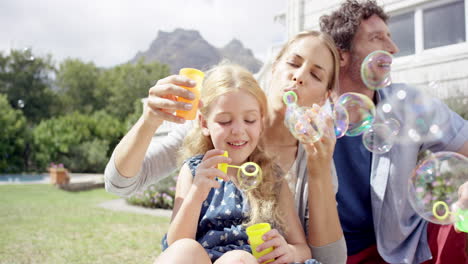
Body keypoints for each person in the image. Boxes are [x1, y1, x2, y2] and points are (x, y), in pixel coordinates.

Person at [104, 31, 346, 263]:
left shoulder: (295, 166)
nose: (299, 76)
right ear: (274, 67)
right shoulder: (205, 137)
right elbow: (119, 183)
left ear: (324, 96)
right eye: (293, 63)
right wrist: (149, 120)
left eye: (316, 75)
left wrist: (319, 169)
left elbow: (327, 260)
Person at [319, 0, 468, 263]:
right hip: (337, 251)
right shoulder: (312, 116)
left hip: (408, 244)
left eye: (390, 37)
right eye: (377, 39)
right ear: (340, 55)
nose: (393, 48)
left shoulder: (408, 103)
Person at [155, 64, 325, 264]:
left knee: (237, 260)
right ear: (204, 123)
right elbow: (176, 244)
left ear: (261, 123)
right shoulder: (194, 171)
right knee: (184, 249)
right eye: (225, 121)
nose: (238, 130)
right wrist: (196, 193)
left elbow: (302, 248)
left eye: (250, 120)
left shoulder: (272, 177)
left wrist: (289, 251)